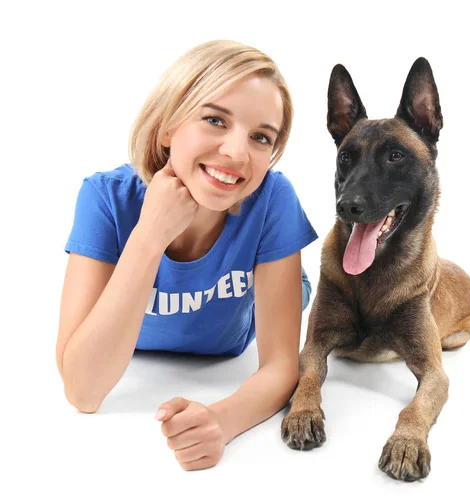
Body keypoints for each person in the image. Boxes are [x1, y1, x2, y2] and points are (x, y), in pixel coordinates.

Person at [56, 40, 318, 471]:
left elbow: (280, 366)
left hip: (240, 323)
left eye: (260, 137)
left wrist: (222, 418)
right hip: (141, 317)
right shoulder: (104, 198)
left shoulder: (274, 199)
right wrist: (148, 237)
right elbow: (83, 392)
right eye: (215, 119)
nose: (236, 152)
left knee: (304, 295)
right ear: (167, 127)